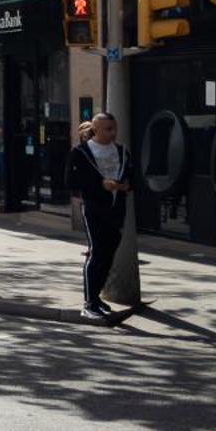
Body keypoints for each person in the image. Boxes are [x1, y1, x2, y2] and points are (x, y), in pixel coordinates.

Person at [68, 112, 135, 321]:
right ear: (95, 129)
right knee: (97, 253)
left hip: (116, 209)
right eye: (108, 129)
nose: (113, 133)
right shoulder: (81, 152)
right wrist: (100, 184)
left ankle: (96, 297)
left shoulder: (122, 152)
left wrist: (126, 185)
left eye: (114, 128)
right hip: (94, 208)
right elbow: (70, 181)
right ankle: (89, 302)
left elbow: (133, 177)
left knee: (108, 254)